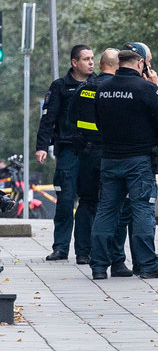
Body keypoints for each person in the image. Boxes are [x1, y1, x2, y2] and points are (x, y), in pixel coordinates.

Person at [89, 49, 158, 280]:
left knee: (106, 211)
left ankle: (98, 266)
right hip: (138, 161)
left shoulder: (102, 89)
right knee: (143, 210)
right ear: (139, 63)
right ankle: (147, 265)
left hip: (110, 158)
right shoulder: (146, 89)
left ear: (119, 64)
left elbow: (97, 122)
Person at [36, 44, 95, 262]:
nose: (90, 62)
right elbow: (48, 119)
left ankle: (84, 250)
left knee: (88, 202)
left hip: (92, 152)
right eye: (86, 59)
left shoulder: (98, 84)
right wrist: (41, 146)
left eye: (92, 58)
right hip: (68, 150)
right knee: (65, 200)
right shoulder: (60, 86)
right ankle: (60, 248)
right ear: (74, 62)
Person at [71, 48, 129, 266]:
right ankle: (105, 254)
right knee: (109, 204)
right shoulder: (114, 90)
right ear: (117, 66)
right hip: (109, 153)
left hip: (86, 153)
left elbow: (72, 117)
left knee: (86, 202)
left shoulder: (84, 88)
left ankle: (82, 252)